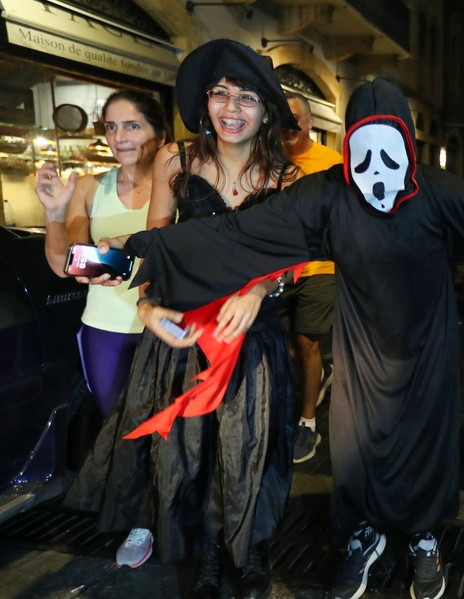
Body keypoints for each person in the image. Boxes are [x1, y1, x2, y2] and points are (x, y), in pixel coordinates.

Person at [102, 77, 464, 599]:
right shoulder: (327, 194)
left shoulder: (443, 193)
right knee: (358, 448)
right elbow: (238, 234)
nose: (377, 176)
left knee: (426, 441)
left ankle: (424, 536)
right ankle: (365, 533)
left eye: (390, 156)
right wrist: (143, 246)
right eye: (364, 157)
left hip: (427, 344)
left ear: (407, 146)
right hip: (361, 346)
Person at [64, 39, 300, 599]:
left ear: (265, 108)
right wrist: (145, 304)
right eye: (221, 94)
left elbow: (290, 260)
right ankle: (211, 557)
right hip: (183, 333)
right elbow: (157, 244)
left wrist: (263, 288)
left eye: (246, 97)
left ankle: (252, 552)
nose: (232, 108)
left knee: (250, 449)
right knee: (191, 450)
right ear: (205, 102)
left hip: (251, 336)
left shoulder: (286, 177)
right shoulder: (178, 160)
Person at [34, 90, 167, 568]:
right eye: (111, 127)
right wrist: (54, 211)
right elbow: (64, 262)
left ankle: (176, 510)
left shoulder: (175, 183)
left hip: (164, 328)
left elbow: (169, 258)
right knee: (126, 432)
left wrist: (111, 260)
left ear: (159, 133)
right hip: (105, 331)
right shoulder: (91, 187)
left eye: (132, 125)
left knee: (170, 428)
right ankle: (140, 521)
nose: (119, 137)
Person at [279, 91, 343, 463]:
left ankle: (307, 423)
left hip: (319, 266)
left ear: (310, 123)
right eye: (282, 120)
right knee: (285, 345)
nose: (289, 127)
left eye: (295, 120)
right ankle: (318, 377)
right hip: (277, 270)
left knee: (306, 342)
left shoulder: (331, 162)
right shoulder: (268, 157)